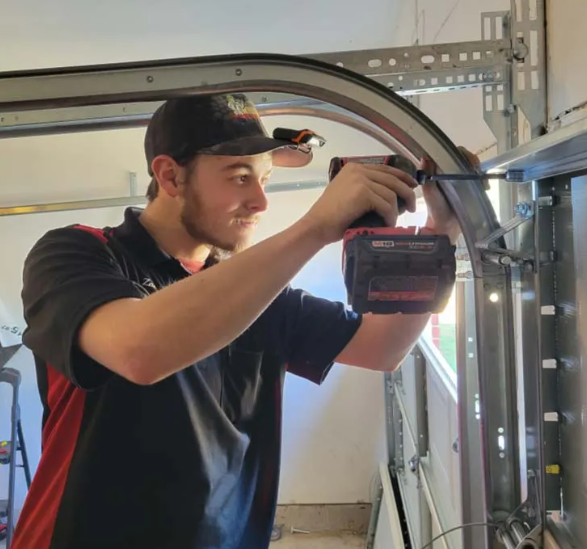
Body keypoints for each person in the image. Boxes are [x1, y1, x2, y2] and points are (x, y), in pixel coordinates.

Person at [11, 93, 477, 549]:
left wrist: (442, 233)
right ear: (170, 176)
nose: (260, 202)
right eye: (239, 178)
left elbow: (383, 347)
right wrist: (315, 227)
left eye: (265, 180)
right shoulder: (78, 253)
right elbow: (139, 350)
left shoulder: (252, 290)